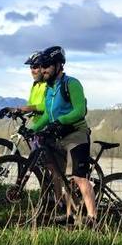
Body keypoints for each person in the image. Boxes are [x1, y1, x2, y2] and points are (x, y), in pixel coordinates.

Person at [29, 46, 96, 226]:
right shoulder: (48, 89)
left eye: (47, 66)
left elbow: (80, 111)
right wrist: (33, 129)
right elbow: (46, 115)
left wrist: (60, 121)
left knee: (79, 177)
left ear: (59, 65)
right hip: (58, 136)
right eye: (41, 66)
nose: (43, 70)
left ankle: (93, 219)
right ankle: (70, 216)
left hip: (76, 134)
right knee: (61, 176)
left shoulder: (71, 84)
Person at [0, 51, 46, 118]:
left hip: (50, 126)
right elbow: (28, 107)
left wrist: (31, 108)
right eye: (31, 67)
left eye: (35, 67)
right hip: (36, 126)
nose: (32, 71)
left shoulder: (51, 84)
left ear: (44, 67)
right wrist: (12, 110)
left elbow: (51, 106)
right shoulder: (35, 85)